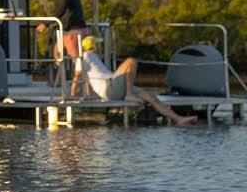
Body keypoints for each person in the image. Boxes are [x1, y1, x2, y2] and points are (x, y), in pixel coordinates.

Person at [72, 34, 201, 127]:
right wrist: (72, 96)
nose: (100, 46)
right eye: (98, 44)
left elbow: (89, 79)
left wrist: (87, 94)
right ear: (93, 46)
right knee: (131, 61)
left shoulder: (94, 58)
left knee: (150, 97)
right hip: (109, 88)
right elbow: (77, 77)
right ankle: (129, 94)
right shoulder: (84, 57)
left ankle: (178, 119)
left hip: (113, 86)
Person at [43, 0, 87, 81]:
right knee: (58, 52)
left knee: (76, 60)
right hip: (74, 29)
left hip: (73, 31)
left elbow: (60, 11)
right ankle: (60, 82)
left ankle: (79, 88)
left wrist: (45, 24)